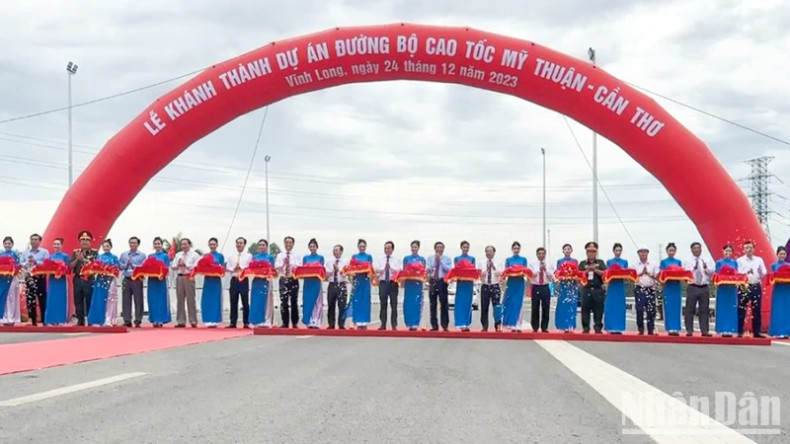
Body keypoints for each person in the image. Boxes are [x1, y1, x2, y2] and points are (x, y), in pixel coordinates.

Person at [683, 242, 714, 336]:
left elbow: (712, 272)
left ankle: (704, 330)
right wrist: (694, 268)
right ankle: (689, 330)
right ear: (692, 250)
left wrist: (706, 268)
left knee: (704, 309)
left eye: (698, 248)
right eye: (695, 248)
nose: (697, 250)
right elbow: (686, 273)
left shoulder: (707, 260)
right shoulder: (687, 260)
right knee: (690, 309)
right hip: (693, 286)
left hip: (704, 286)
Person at [737, 240, 767, 338]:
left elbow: (764, 272)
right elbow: (737, 273)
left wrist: (759, 271)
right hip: (744, 286)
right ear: (744, 249)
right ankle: (740, 331)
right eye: (746, 248)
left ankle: (757, 331)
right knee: (742, 308)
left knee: (756, 309)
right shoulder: (739, 260)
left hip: (755, 285)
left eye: (750, 248)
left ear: (754, 249)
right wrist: (746, 272)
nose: (748, 249)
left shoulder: (759, 260)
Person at [87, 239, 120, 326]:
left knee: (110, 300)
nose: (105, 248)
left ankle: (108, 319)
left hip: (110, 280)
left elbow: (116, 269)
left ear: (111, 247)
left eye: (107, 246)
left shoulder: (114, 257)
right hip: (100, 281)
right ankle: (97, 320)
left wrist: (109, 271)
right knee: (98, 299)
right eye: (104, 246)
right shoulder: (99, 257)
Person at [70, 231, 99, 326]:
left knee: (89, 300)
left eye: (87, 240)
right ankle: (80, 320)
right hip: (78, 279)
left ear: (90, 242)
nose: (85, 242)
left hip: (89, 279)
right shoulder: (75, 252)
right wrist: (77, 259)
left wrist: (84, 260)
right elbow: (70, 266)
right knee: (77, 300)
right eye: (82, 240)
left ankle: (90, 320)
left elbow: (95, 266)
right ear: (79, 242)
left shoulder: (94, 252)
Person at [171, 238, 200, 328]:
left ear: (189, 245)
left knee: (191, 299)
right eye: (182, 244)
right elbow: (173, 266)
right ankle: (181, 321)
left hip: (189, 276)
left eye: (185, 244)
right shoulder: (178, 254)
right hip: (180, 276)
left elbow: (196, 266)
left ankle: (193, 320)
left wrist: (186, 264)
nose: (183, 246)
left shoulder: (194, 255)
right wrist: (178, 265)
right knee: (180, 299)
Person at [579, 241, 606, 334]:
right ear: (586, 252)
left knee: (598, 309)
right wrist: (587, 270)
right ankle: (586, 327)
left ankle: (598, 327)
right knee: (585, 308)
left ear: (596, 252)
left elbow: (605, 273)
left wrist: (595, 269)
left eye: (593, 251)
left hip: (598, 288)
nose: (591, 253)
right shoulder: (582, 263)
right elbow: (579, 274)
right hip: (586, 288)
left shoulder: (600, 262)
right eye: (589, 251)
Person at [22, 233, 49, 326]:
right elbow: (21, 263)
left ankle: (45, 320)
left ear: (40, 241)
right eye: (32, 239)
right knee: (30, 299)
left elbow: (46, 264)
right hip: (29, 277)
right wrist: (27, 262)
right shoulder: (26, 252)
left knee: (42, 299)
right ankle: (32, 320)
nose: (33, 241)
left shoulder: (44, 252)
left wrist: (36, 261)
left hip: (40, 277)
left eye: (36, 239)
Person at [119, 236, 146, 327]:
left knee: (138, 300)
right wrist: (126, 265)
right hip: (126, 278)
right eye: (131, 243)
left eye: (134, 243)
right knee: (126, 300)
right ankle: (127, 320)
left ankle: (138, 320)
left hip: (137, 279)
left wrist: (133, 265)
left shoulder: (142, 255)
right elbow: (120, 267)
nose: (132, 244)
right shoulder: (124, 254)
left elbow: (143, 267)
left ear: (138, 244)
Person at [275, 236, 302, 329]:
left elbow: (299, 267)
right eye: (286, 242)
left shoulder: (297, 255)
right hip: (283, 279)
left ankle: (295, 322)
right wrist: (283, 263)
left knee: (294, 301)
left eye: (290, 242)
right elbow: (277, 267)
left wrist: (291, 265)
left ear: (293, 244)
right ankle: (285, 322)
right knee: (284, 302)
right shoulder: (280, 255)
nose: (288, 244)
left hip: (293, 279)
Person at [225, 237, 252, 328]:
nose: (239, 245)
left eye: (241, 243)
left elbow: (250, 267)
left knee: (245, 302)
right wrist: (233, 268)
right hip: (234, 279)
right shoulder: (231, 256)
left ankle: (246, 322)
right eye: (237, 243)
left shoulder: (249, 256)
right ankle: (233, 322)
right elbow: (227, 267)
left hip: (243, 279)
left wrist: (241, 268)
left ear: (244, 244)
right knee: (233, 301)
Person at [43, 238, 70, 325]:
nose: (56, 246)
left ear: (61, 245)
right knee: (51, 299)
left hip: (61, 280)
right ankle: (51, 320)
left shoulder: (65, 256)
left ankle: (61, 320)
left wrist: (61, 269)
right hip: (52, 280)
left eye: (58, 244)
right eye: (54, 244)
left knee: (61, 299)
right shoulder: (50, 257)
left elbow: (68, 268)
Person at [375, 241, 401, 330]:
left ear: (392, 249)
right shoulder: (380, 259)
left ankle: (394, 324)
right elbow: (376, 269)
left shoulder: (397, 259)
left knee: (394, 304)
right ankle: (383, 324)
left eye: (389, 248)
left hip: (393, 283)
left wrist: (391, 268)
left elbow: (399, 270)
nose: (387, 250)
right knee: (383, 304)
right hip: (383, 283)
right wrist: (383, 269)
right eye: (386, 248)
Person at [249, 239, 275, 327]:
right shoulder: (255, 257)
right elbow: (251, 269)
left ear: (266, 247)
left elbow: (272, 269)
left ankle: (266, 320)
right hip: (256, 281)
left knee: (266, 301)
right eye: (260, 245)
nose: (261, 246)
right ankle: (254, 320)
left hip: (266, 281)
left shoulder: (270, 257)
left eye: (263, 245)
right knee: (255, 301)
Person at [502, 241, 528, 332]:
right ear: (512, 249)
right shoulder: (508, 260)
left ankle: (518, 325)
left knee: (518, 303)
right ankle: (510, 324)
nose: (516, 250)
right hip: (511, 283)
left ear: (520, 249)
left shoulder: (523, 259)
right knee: (510, 303)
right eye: (514, 248)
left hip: (520, 283)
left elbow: (525, 271)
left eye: (518, 248)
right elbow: (506, 272)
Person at [427, 241, 452, 331]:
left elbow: (448, 270)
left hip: (442, 280)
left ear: (443, 249)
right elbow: (429, 269)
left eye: (441, 248)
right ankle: (434, 325)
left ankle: (444, 325)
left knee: (444, 303)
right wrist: (435, 261)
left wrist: (440, 261)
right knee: (433, 303)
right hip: (433, 280)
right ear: (435, 249)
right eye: (437, 247)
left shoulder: (447, 259)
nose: (439, 249)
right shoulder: (430, 258)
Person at [603, 243, 628, 334]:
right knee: (611, 306)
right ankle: (610, 327)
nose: (618, 252)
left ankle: (619, 327)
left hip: (620, 286)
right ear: (613, 251)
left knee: (620, 307)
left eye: (619, 250)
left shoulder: (624, 262)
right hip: (612, 285)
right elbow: (607, 273)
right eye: (616, 250)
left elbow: (626, 273)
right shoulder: (609, 261)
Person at [555, 244, 580, 333]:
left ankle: (571, 325)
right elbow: (557, 273)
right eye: (565, 249)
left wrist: (575, 279)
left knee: (571, 305)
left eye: (569, 249)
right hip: (563, 285)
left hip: (572, 286)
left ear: (571, 250)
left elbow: (577, 273)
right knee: (563, 305)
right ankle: (562, 325)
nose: (567, 250)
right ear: (563, 251)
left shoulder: (575, 261)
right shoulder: (559, 261)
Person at [633, 245, 658, 335]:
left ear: (648, 253)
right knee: (639, 309)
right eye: (641, 252)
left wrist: (649, 273)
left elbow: (658, 277)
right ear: (638, 253)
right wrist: (641, 273)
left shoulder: (653, 265)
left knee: (651, 310)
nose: (643, 253)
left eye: (645, 251)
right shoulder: (635, 265)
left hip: (650, 289)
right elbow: (631, 278)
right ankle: (640, 329)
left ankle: (650, 329)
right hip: (639, 289)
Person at [201, 237, 225, 328]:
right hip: (208, 280)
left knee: (215, 300)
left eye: (214, 244)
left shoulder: (220, 256)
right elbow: (202, 267)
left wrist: (216, 268)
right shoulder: (206, 256)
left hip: (216, 281)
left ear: (217, 245)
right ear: (208, 245)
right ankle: (207, 319)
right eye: (210, 244)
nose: (212, 246)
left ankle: (215, 320)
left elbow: (223, 268)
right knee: (207, 300)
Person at [402, 240, 426, 331]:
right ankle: (409, 322)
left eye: (415, 247)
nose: (414, 249)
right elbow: (404, 271)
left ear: (418, 248)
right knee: (408, 303)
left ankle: (415, 323)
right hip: (409, 283)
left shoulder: (422, 259)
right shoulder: (406, 258)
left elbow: (423, 272)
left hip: (417, 284)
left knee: (417, 303)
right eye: (412, 247)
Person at [659, 243, 683, 335]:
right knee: (668, 307)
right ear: (667, 251)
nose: (671, 252)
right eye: (670, 250)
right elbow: (661, 274)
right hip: (668, 287)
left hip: (676, 287)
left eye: (673, 250)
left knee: (676, 307)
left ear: (675, 251)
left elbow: (681, 273)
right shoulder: (664, 262)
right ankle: (669, 328)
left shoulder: (678, 262)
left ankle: (676, 328)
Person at [147, 237, 171, 327]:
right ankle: (153, 319)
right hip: (152, 280)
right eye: (155, 244)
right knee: (152, 300)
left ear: (161, 245)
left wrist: (162, 274)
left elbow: (167, 268)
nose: (157, 245)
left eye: (158, 244)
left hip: (161, 280)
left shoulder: (165, 256)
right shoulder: (150, 256)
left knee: (161, 300)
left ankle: (161, 319)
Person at [301, 238, 325, 329]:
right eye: (310, 246)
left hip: (316, 282)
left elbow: (321, 269)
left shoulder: (320, 258)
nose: (312, 248)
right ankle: (309, 321)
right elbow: (303, 269)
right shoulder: (305, 258)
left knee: (317, 302)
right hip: (308, 282)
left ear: (317, 247)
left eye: (314, 246)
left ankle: (317, 321)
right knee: (307, 301)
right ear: (308, 248)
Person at [350, 239, 374, 329]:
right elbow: (351, 268)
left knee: (365, 301)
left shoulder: (369, 257)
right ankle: (357, 321)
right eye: (360, 246)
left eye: (364, 246)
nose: (362, 248)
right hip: (357, 281)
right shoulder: (354, 256)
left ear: (366, 247)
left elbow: (371, 269)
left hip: (365, 281)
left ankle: (364, 322)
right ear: (358, 247)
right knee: (357, 301)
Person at [453, 240, 476, 331]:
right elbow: (456, 270)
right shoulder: (457, 258)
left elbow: (473, 270)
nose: (465, 249)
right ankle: (459, 323)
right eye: (464, 247)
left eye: (467, 247)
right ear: (461, 248)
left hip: (469, 283)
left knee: (467, 303)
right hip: (461, 283)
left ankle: (466, 323)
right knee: (460, 303)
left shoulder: (472, 258)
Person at [479, 245, 503, 332]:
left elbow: (500, 274)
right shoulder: (482, 263)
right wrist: (486, 269)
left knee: (496, 307)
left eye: (490, 251)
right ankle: (484, 326)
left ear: (494, 252)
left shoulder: (499, 262)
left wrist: (492, 267)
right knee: (484, 307)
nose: (488, 253)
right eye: (487, 251)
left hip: (495, 285)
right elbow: (480, 275)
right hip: (485, 285)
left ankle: (497, 325)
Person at [529, 247, 553, 333]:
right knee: (535, 307)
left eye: (543, 254)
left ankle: (544, 327)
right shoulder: (532, 264)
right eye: (539, 254)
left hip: (545, 287)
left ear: (545, 254)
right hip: (536, 286)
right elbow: (531, 275)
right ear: (537, 254)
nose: (541, 255)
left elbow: (551, 277)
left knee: (546, 307)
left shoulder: (549, 264)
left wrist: (545, 270)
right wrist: (539, 269)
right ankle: (535, 327)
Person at [325, 244, 348, 329]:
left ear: (341, 251)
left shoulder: (345, 262)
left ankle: (341, 324)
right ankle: (331, 324)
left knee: (342, 305)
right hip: (332, 284)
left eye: (337, 250)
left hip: (341, 284)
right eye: (334, 250)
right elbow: (326, 274)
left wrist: (338, 269)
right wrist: (332, 270)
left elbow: (346, 273)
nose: (335, 252)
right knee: (331, 305)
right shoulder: (329, 261)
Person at [769, 246, 790, 338]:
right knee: (778, 310)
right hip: (778, 290)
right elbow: (772, 278)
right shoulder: (774, 265)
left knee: (786, 310)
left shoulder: (789, 265)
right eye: (780, 254)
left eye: (784, 254)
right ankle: (776, 331)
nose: (782, 255)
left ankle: (786, 331)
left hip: (787, 290)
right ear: (777, 254)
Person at [1, 237, 21, 326]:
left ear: (12, 244)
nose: (7, 245)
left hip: (12, 278)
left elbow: (18, 266)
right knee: (3, 297)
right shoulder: (1, 254)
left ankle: (12, 318)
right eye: (5, 243)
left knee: (11, 298)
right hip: (2, 279)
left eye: (9, 243)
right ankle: (4, 318)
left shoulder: (15, 254)